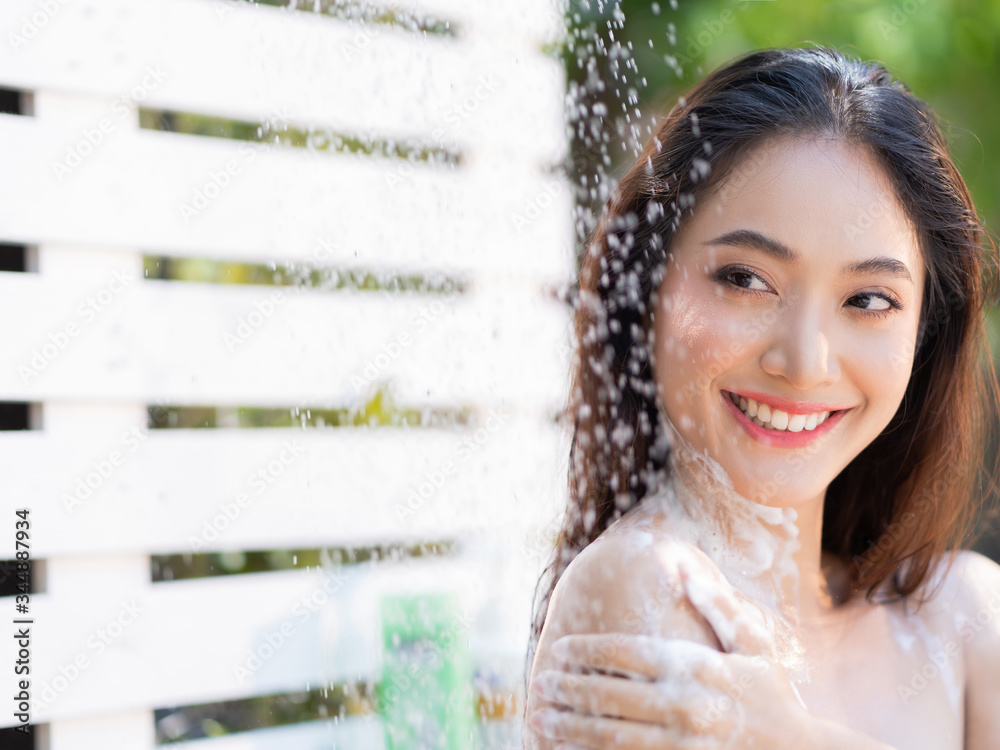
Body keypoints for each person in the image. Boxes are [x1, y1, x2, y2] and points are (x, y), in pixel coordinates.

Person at [523, 46, 1000, 749]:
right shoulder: (646, 588)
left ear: (927, 329)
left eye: (868, 299)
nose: (804, 363)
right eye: (745, 279)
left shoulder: (963, 615)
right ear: (647, 286)